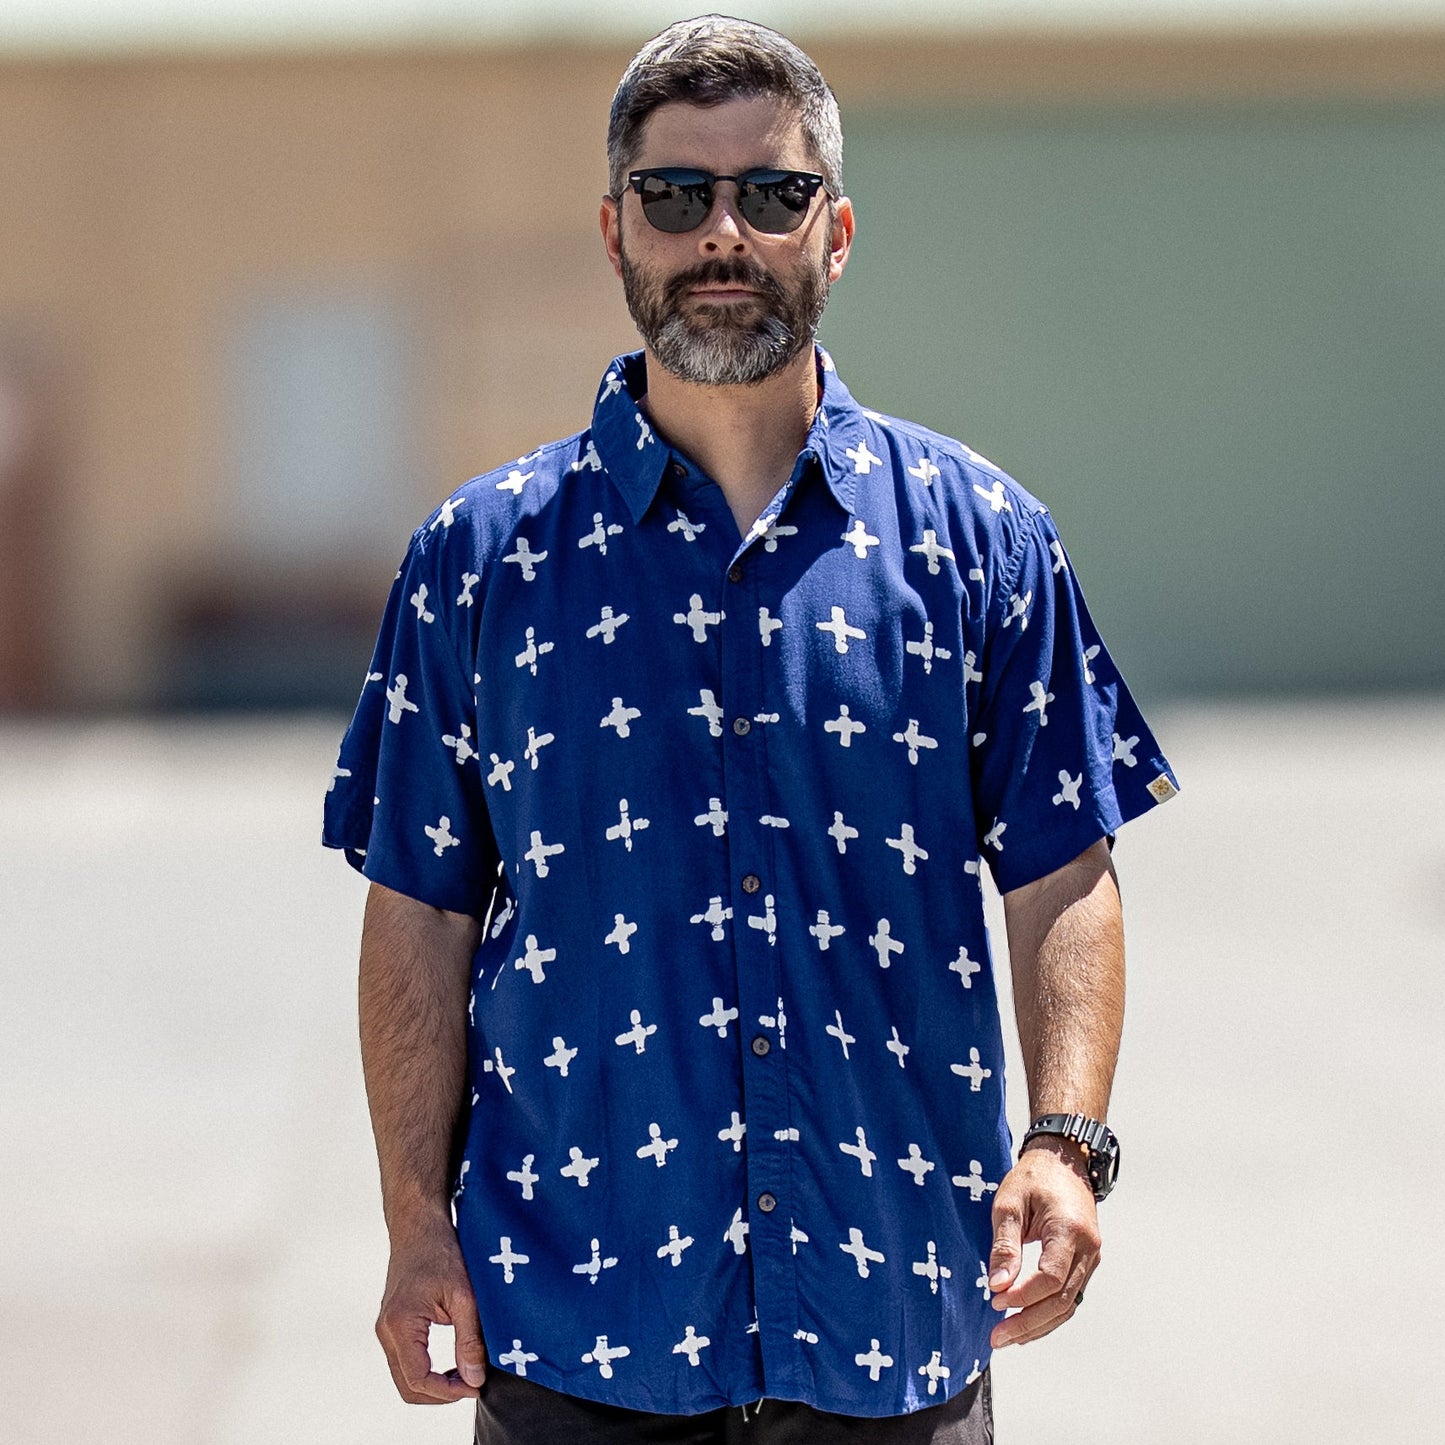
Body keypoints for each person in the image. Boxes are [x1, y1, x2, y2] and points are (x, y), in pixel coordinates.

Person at [323, 15, 1178, 1442]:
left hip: (891, 1316)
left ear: (833, 232)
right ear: (616, 232)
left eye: (771, 194)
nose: (723, 232)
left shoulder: (981, 541)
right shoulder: (480, 562)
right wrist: (415, 1221)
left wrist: (1065, 1142)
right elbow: (420, 910)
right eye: (676, 194)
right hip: (579, 1333)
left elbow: (1060, 871)